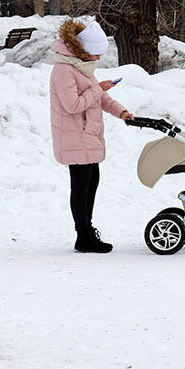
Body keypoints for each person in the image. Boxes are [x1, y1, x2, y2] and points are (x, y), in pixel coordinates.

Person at [49, 20, 133, 253]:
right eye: (95, 54)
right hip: (74, 136)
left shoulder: (80, 68)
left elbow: (100, 99)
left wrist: (122, 113)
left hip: (87, 136)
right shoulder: (64, 70)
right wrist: (99, 88)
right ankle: (83, 236)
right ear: (82, 50)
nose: (97, 59)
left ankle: (87, 231)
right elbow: (73, 104)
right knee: (80, 187)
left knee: (90, 184)